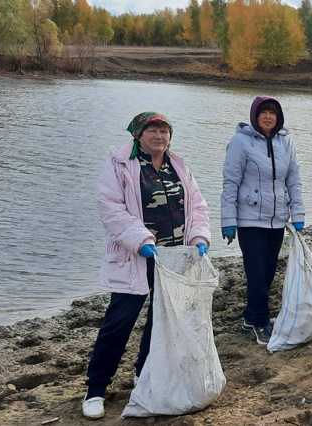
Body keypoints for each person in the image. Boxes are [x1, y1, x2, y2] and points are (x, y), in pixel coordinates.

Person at [82, 112, 212, 419]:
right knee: (118, 323)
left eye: (164, 130)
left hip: (175, 259)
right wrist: (141, 241)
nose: (159, 135)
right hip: (137, 257)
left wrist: (198, 236)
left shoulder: (178, 165)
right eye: (152, 130)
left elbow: (197, 204)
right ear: (138, 135)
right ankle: (96, 389)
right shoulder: (119, 165)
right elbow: (111, 210)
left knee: (161, 320)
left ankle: (144, 373)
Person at [220, 96, 305, 345]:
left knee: (268, 273)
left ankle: (249, 315)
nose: (268, 117)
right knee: (256, 274)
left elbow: (294, 180)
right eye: (264, 112)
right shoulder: (240, 142)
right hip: (249, 220)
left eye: (273, 113)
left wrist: (297, 214)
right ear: (255, 116)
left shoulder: (286, 142)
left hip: (277, 219)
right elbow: (230, 182)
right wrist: (229, 219)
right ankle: (260, 322)